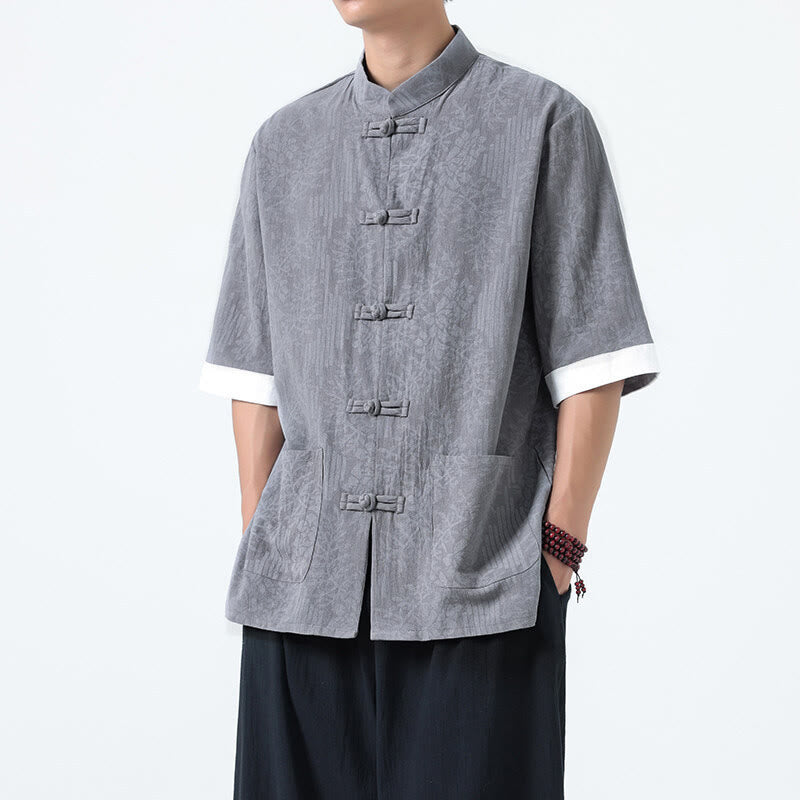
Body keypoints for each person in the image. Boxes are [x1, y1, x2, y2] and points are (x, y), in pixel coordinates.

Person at [198, 1, 660, 797]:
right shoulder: (283, 145)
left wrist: (558, 552)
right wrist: (272, 538)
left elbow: (594, 360)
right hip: (302, 598)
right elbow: (254, 374)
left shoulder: (543, 123)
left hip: (481, 580)